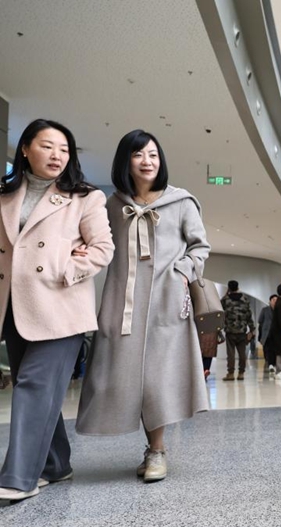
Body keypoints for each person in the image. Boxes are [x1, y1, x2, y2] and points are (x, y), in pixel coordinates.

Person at [76, 129, 211, 483]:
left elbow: (200, 248)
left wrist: (182, 272)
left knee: (158, 380)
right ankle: (138, 442)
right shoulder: (110, 205)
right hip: (122, 302)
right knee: (116, 376)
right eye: (139, 155)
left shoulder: (182, 202)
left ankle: (157, 451)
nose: (148, 161)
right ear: (126, 161)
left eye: (153, 154)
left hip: (167, 303)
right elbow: (94, 241)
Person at [0, 119, 114, 501]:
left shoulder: (85, 197)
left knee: (34, 386)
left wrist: (66, 267)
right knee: (36, 387)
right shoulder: (4, 195)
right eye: (48, 146)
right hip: (13, 307)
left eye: (64, 149)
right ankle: (56, 465)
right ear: (26, 149)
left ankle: (18, 478)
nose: (57, 156)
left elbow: (102, 248)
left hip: (60, 307)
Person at [221, 280, 256, 381]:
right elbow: (249, 315)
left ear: (229, 288)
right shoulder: (244, 299)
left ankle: (230, 373)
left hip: (230, 331)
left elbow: (220, 310)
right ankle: (241, 373)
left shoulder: (225, 299)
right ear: (238, 287)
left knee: (230, 354)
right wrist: (252, 329)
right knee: (242, 353)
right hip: (242, 331)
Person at [258, 294, 278, 374]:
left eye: (276, 300)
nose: (275, 302)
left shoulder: (279, 310)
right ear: (270, 301)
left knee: (276, 350)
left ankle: (275, 364)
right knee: (269, 349)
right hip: (268, 333)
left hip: (277, 334)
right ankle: (270, 364)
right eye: (273, 300)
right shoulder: (265, 310)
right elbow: (260, 320)